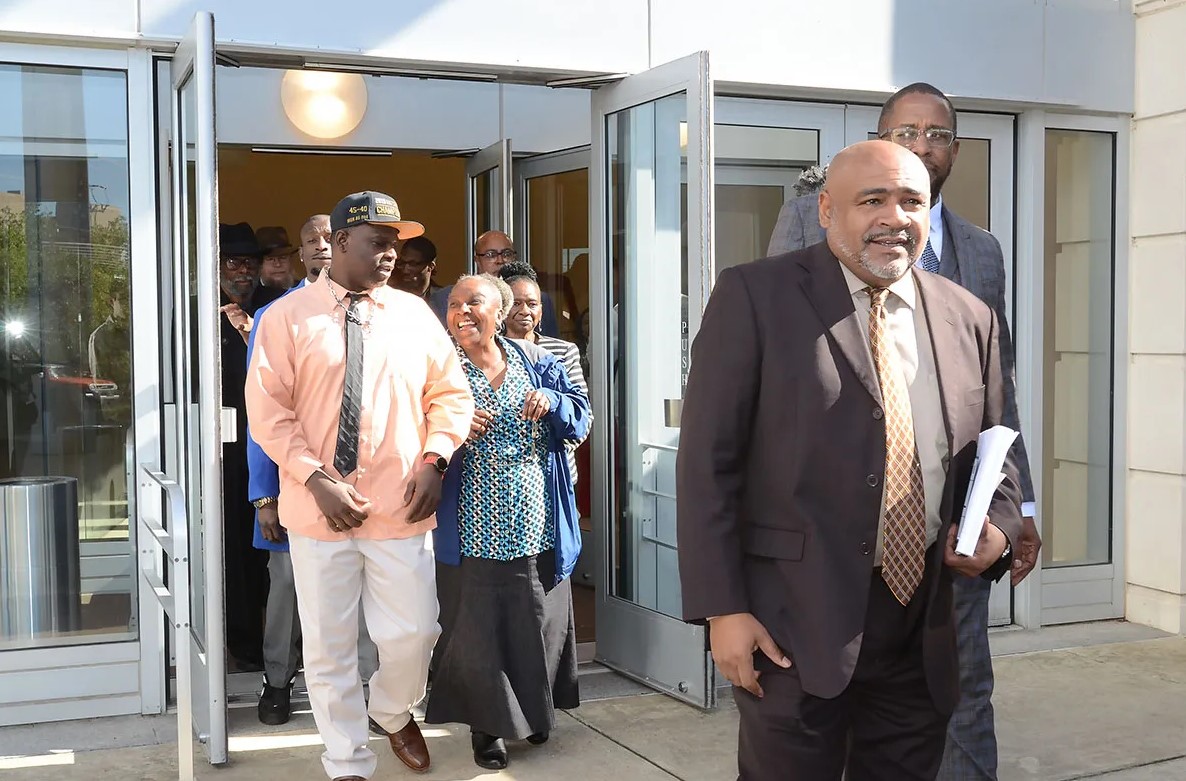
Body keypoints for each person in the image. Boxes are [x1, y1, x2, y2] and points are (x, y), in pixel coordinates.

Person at [677, 140, 1023, 780]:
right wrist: (723, 609)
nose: (894, 217)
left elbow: (998, 452)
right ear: (827, 210)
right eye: (872, 200)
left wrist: (1000, 529)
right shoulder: (755, 296)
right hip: (790, 623)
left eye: (911, 201)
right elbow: (707, 466)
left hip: (921, 624)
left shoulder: (969, 316)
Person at [766, 83, 1041, 780]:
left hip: (952, 530)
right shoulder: (807, 221)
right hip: (839, 539)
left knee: (965, 685)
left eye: (937, 134)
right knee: (842, 707)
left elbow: (997, 390)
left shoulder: (982, 251)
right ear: (879, 139)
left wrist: (1018, 507)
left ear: (955, 149)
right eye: (906, 132)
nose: (923, 145)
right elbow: (775, 365)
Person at [246, 191, 473, 780]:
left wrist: (436, 460)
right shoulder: (287, 317)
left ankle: (392, 709)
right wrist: (314, 478)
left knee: (416, 631)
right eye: (379, 242)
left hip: (401, 503)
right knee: (329, 646)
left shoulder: (414, 315)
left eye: (395, 243)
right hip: (318, 510)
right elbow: (268, 412)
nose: (391, 254)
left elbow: (450, 396)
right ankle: (347, 760)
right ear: (341, 242)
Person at [426, 274, 590, 771]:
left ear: (498, 312)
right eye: (454, 304)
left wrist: (554, 402)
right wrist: (450, 427)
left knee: (535, 622)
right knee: (477, 629)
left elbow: (580, 419)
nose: (462, 312)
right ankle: (487, 727)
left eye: (473, 302)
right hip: (471, 526)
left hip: (537, 522)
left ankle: (534, 713)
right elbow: (409, 433)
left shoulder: (536, 361)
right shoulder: (438, 369)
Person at [246, 213, 378, 726]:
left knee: (362, 589)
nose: (321, 246)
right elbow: (263, 413)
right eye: (311, 240)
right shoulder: (277, 315)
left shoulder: (377, 309)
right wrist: (265, 496)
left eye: (329, 238)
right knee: (286, 586)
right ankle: (278, 680)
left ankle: (367, 686)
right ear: (300, 253)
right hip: (296, 483)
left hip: (364, 485)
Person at [217, 221, 283, 671]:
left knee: (278, 546)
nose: (242, 271)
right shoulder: (196, 313)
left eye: (250, 262)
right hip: (222, 448)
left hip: (274, 442)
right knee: (235, 546)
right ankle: (244, 644)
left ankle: (286, 645)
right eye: (233, 262)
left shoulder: (277, 307)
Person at [498, 260, 589, 484]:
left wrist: (548, 449)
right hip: (500, 475)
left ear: (541, 310)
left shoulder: (563, 351)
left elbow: (583, 415)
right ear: (502, 308)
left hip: (553, 471)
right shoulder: (488, 351)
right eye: (516, 303)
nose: (525, 311)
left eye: (532, 304)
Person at [429, 230, 560, 337]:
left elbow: (550, 344)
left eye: (507, 254)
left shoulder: (537, 299)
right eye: (490, 255)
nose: (500, 260)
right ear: (477, 260)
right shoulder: (447, 298)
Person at [388, 235, 437, 300]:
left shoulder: (442, 298)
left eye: (412, 264)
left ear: (431, 266)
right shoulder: (389, 295)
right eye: (402, 262)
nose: (405, 270)